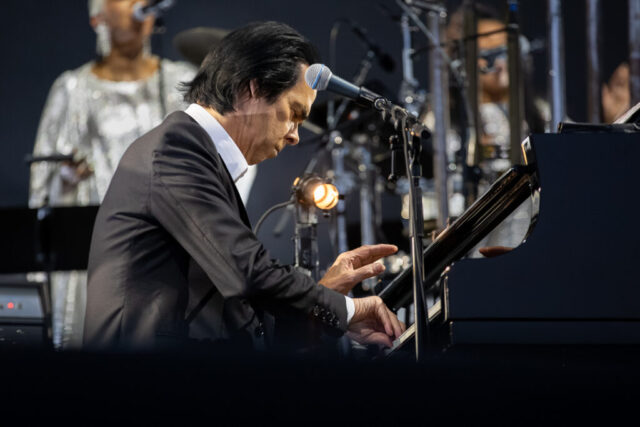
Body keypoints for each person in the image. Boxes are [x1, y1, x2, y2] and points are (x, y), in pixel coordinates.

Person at [83, 21, 405, 352]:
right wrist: (346, 310)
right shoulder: (175, 149)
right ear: (252, 90)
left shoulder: (196, 153)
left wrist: (324, 303)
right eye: (294, 114)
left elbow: (242, 316)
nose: (295, 135)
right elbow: (247, 272)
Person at [29, 0, 195, 349]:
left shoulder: (180, 82)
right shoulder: (72, 88)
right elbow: (43, 189)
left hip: (161, 248)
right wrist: (66, 179)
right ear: (97, 17)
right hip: (95, 250)